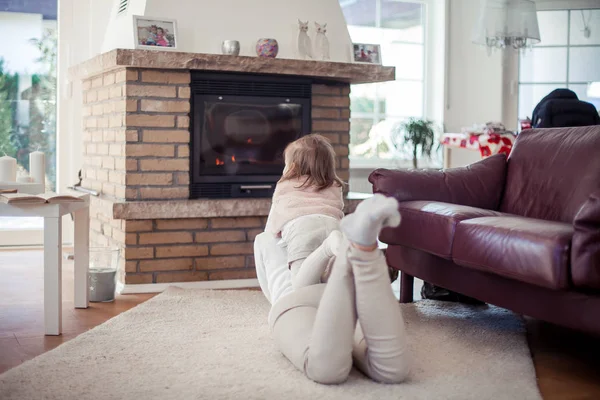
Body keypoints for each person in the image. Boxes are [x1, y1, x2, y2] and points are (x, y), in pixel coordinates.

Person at [255, 194, 410, 385]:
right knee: (390, 369)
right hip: (348, 299)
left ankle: (355, 255)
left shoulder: (265, 238)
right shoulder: (334, 225)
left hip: (295, 302)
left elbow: (269, 289)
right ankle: (362, 251)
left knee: (325, 369)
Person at [265, 134, 345, 290]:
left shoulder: (286, 185)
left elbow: (273, 225)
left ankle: (327, 248)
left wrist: (272, 236)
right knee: (328, 277)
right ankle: (337, 260)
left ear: (292, 167)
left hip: (302, 228)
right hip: (332, 225)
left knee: (301, 286)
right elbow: (338, 210)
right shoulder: (334, 185)